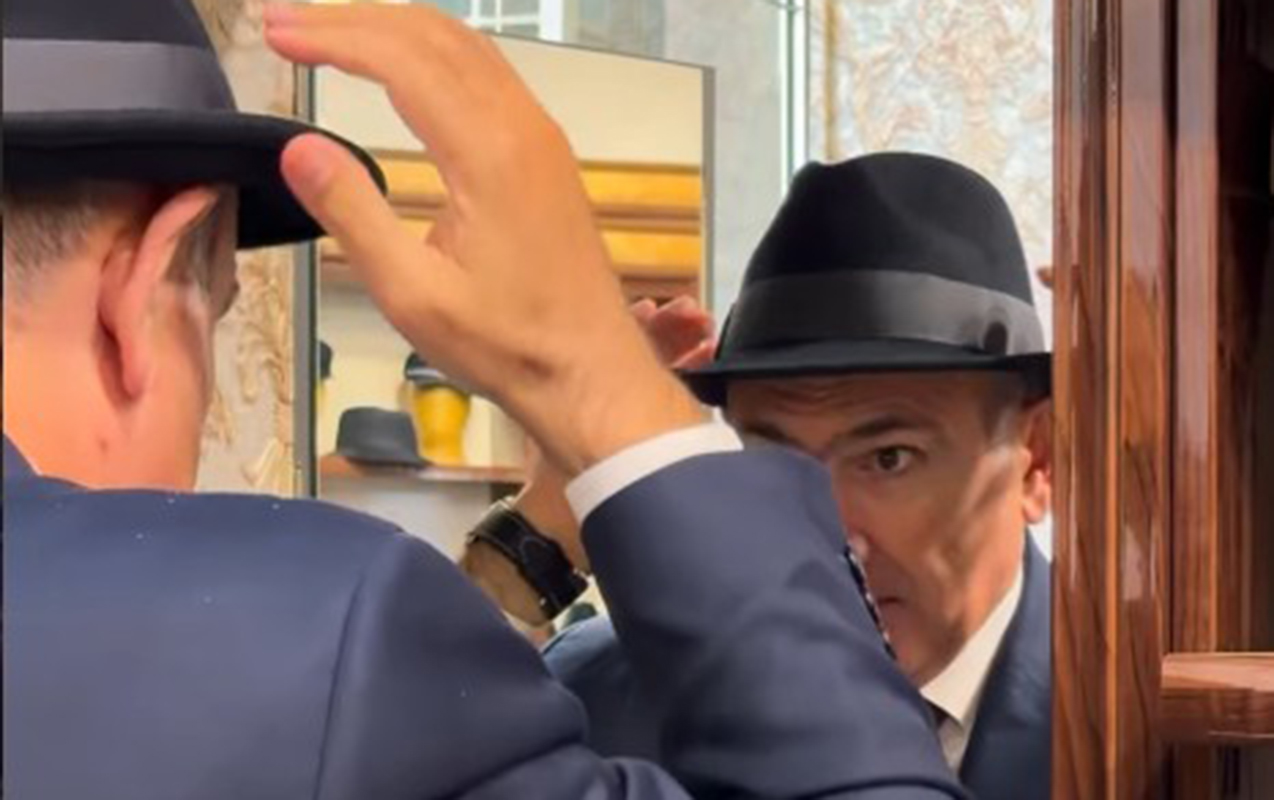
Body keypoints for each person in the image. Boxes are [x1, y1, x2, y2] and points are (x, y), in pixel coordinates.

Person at [3, 1, 964, 798]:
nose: (839, 518)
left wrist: (537, 541)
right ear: (149, 280)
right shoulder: (318, 640)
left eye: (887, 455)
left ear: (1030, 456)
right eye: (215, 314)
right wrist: (601, 389)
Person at [481, 154, 1053, 800]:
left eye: (889, 458)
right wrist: (545, 527)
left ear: (1035, 460)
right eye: (774, 460)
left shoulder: (1131, 722)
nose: (828, 533)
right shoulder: (600, 693)